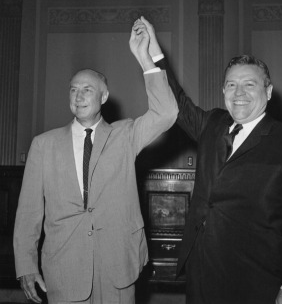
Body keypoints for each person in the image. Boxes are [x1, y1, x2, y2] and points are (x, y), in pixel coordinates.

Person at [13, 19, 178, 304]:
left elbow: (166, 113)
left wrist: (144, 57)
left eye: (87, 89)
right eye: (73, 90)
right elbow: (29, 213)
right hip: (64, 269)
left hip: (118, 267)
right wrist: (26, 266)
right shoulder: (43, 145)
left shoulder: (125, 135)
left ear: (103, 96)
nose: (78, 96)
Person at [141, 17, 282, 304]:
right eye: (231, 85)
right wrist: (154, 54)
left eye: (249, 84)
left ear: (268, 92)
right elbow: (177, 102)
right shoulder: (213, 123)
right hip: (202, 270)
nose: (239, 93)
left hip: (256, 281)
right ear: (223, 91)